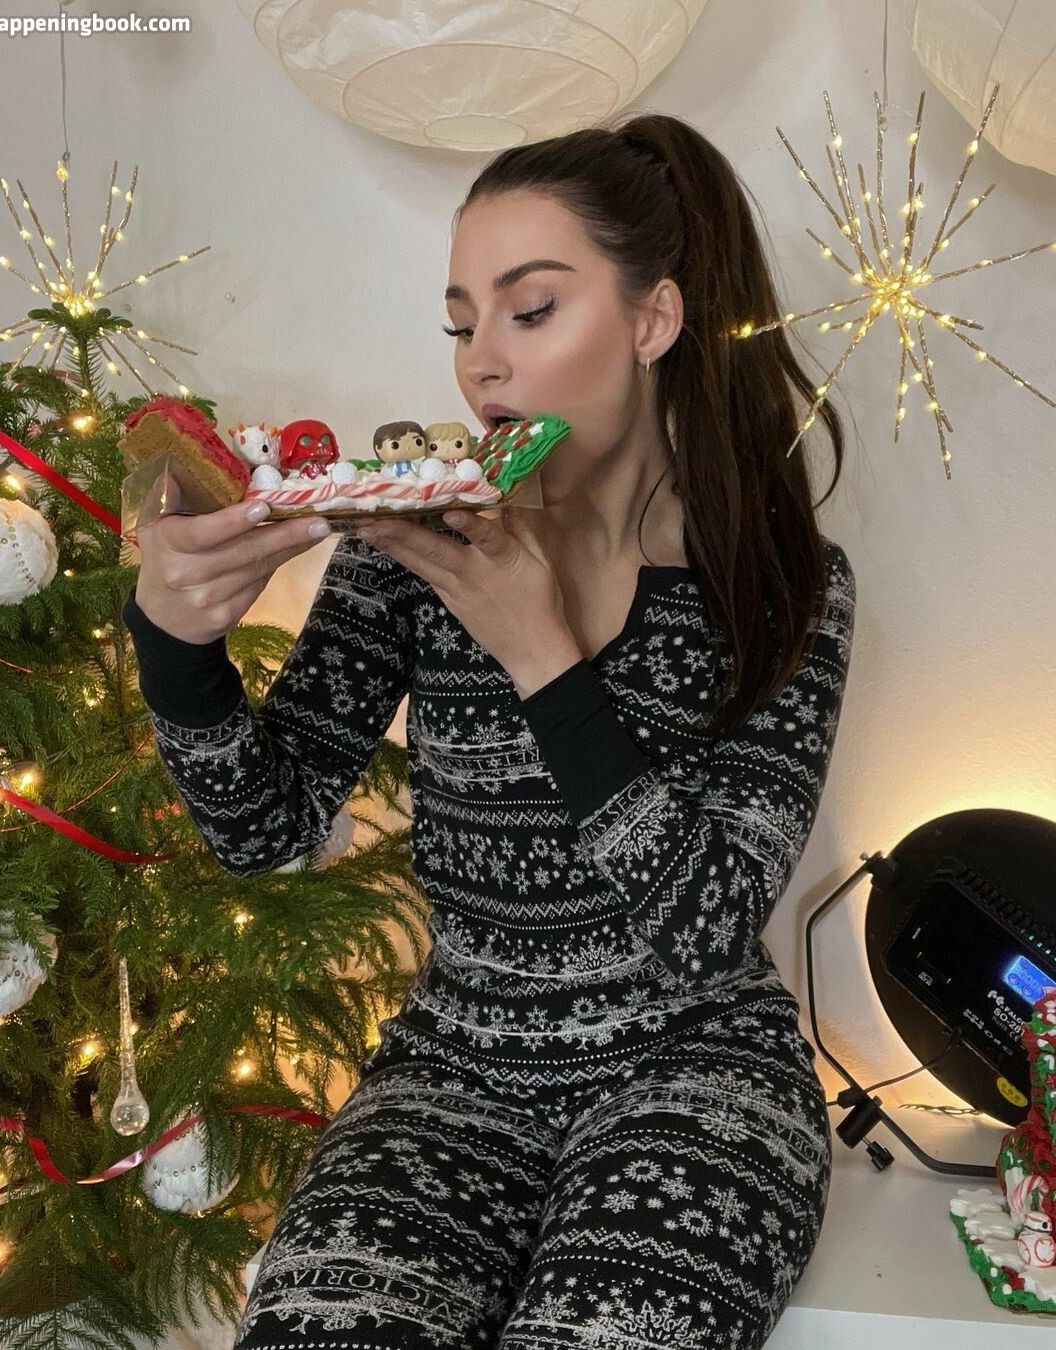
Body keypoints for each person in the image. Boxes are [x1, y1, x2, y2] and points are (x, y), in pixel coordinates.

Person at [122, 111, 857, 1350]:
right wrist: (174, 645)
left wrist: (540, 655)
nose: (482, 368)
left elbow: (706, 931)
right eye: (463, 324)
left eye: (532, 311)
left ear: (654, 320)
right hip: (454, 1071)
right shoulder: (411, 547)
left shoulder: (781, 582)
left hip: (697, 1071)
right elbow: (265, 831)